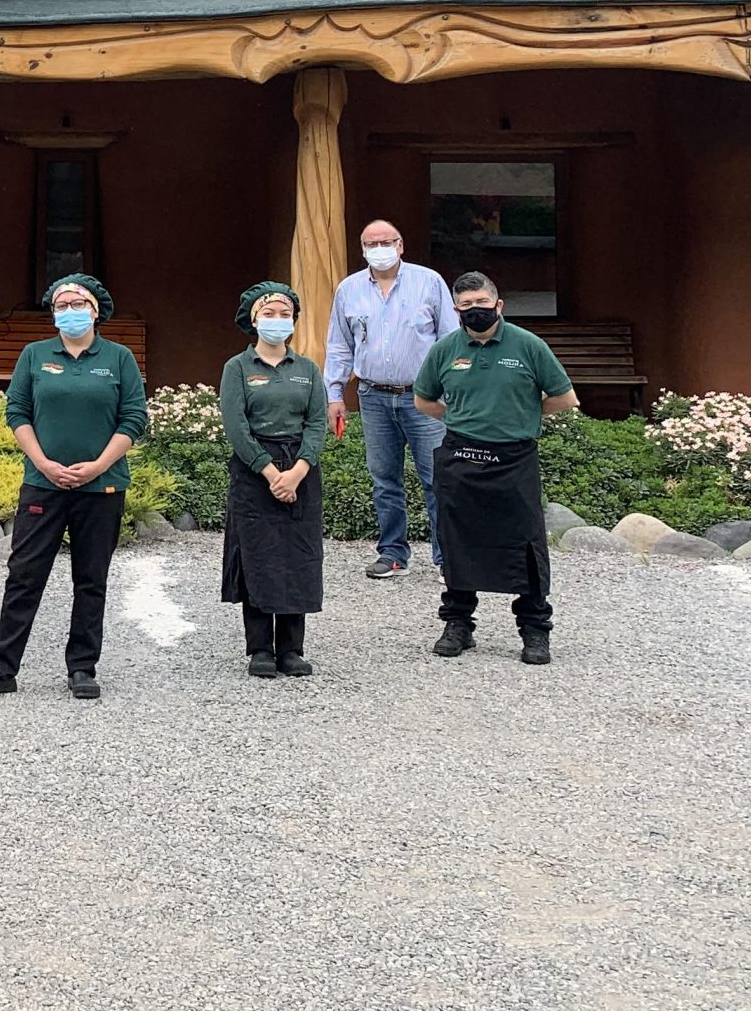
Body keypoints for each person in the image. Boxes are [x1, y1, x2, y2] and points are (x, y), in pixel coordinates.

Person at [0, 273, 148, 703]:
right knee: (24, 577)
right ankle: (1, 668)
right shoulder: (34, 355)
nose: (69, 312)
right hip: (42, 485)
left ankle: (82, 667)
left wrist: (99, 466)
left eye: (77, 304)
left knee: (91, 579)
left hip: (101, 487)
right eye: (61, 306)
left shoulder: (118, 358)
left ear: (96, 309)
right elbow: (17, 410)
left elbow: (134, 419)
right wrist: (44, 463)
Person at [413, 271, 578, 665]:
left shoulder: (528, 345)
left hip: (514, 459)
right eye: (466, 306)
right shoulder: (445, 350)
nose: (475, 311)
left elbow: (565, 397)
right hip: (461, 457)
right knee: (457, 542)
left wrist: (523, 415)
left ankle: (535, 631)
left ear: (498, 305)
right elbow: (424, 400)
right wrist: (462, 418)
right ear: (456, 310)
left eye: (482, 303)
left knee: (526, 545)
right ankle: (458, 625)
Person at [322, 218, 455, 580]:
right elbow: (339, 345)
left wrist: (455, 390)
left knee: (437, 478)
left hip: (424, 397)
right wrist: (334, 393)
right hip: (373, 396)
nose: (378, 248)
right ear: (362, 249)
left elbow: (450, 338)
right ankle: (393, 553)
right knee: (384, 479)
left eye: (386, 241)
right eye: (371, 243)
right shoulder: (349, 289)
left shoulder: (429, 282)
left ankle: (449, 558)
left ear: (400, 245)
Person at [220, 283, 330, 679]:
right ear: (253, 319)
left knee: (296, 557)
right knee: (258, 556)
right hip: (255, 472)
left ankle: (292, 648)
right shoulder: (238, 368)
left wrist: (299, 470)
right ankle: (260, 649)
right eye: (269, 313)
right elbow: (236, 425)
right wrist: (269, 471)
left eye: (285, 314)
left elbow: (317, 422)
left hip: (300, 470)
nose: (277, 321)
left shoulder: (307, 370)